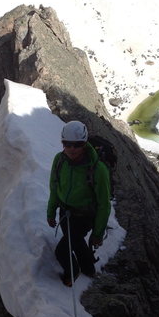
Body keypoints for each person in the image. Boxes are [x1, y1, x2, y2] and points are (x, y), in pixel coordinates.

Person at [47, 120, 111, 286]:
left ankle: (73, 272)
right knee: (76, 241)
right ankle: (88, 268)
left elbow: (104, 204)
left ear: (84, 143)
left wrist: (97, 233)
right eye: (67, 144)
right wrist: (51, 211)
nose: (72, 149)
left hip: (84, 217)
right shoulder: (59, 160)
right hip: (65, 212)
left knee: (62, 251)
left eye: (77, 144)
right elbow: (54, 187)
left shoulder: (98, 170)